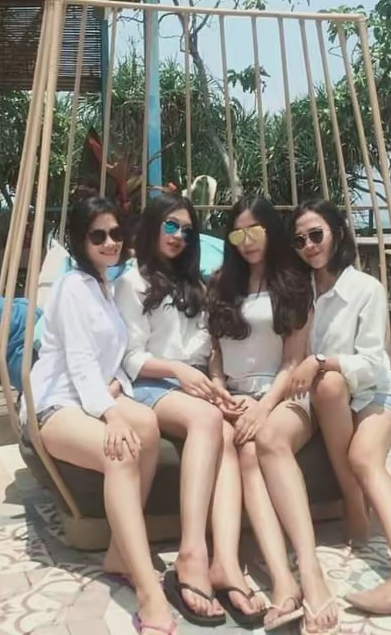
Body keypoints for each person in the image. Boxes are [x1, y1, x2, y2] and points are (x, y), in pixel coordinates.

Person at [268, 199, 391, 628]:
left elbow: (375, 365)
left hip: (375, 395)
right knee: (326, 387)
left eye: (316, 234)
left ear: (337, 233)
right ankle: (354, 507)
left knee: (363, 455)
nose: (309, 246)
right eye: (299, 240)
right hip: (327, 400)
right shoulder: (302, 290)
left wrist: (322, 359)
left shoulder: (365, 289)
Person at [24, 192, 176, 635]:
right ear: (80, 240)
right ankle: (148, 593)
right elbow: (78, 361)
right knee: (122, 452)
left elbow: (110, 359)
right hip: (55, 404)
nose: (110, 242)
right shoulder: (73, 287)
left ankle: (117, 553)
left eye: (116, 233)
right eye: (98, 236)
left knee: (147, 425)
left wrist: (115, 391)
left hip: (89, 395)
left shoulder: (105, 286)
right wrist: (111, 414)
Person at [114, 192, 264, 627]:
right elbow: (130, 357)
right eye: (170, 226)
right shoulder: (132, 282)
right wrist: (180, 373)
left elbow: (209, 349)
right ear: (151, 227)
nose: (178, 235)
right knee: (206, 418)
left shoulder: (194, 284)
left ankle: (226, 562)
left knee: (228, 434)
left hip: (193, 383)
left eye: (185, 229)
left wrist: (216, 384)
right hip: (150, 382)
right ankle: (191, 554)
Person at [206, 196, 313, 632]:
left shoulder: (294, 284)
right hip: (233, 396)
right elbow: (215, 354)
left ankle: (285, 580)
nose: (247, 241)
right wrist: (218, 389)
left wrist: (264, 405)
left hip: (279, 395)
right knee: (243, 451)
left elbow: (292, 361)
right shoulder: (220, 285)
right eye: (237, 233)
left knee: (251, 450)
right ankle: (282, 581)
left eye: (255, 230)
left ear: (270, 230)